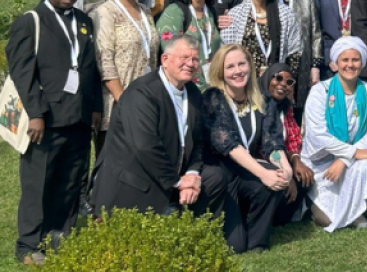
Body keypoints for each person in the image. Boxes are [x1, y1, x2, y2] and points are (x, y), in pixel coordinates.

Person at [6, 0, 102, 265]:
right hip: (46, 120)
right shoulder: (31, 22)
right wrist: (36, 113)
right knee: (39, 183)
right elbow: (22, 73)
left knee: (71, 181)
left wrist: (95, 107)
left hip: (78, 117)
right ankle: (28, 245)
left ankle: (60, 235)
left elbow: (90, 68)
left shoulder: (84, 21)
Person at [91, 36, 226, 219]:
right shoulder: (142, 92)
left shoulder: (193, 93)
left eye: (195, 59)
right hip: (135, 181)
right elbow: (145, 146)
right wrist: (178, 182)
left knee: (215, 176)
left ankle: (195, 226)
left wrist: (192, 174)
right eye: (184, 58)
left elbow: (198, 141)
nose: (190, 64)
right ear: (165, 59)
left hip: (173, 175)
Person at [202, 44, 290, 254]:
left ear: (250, 66)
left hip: (246, 170)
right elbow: (228, 144)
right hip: (221, 175)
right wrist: (263, 173)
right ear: (220, 71)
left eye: (241, 64)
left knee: (275, 176)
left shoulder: (263, 99)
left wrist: (285, 167)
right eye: (230, 66)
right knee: (235, 246)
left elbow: (271, 142)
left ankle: (258, 241)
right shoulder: (213, 98)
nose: (238, 71)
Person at [301, 37, 367, 231]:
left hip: (351, 162)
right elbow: (317, 136)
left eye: (355, 60)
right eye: (345, 60)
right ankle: (315, 204)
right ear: (336, 63)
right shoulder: (320, 91)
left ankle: (355, 210)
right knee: (327, 220)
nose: (350, 65)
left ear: (362, 63)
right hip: (322, 163)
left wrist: (344, 159)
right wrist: (353, 153)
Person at [89, 0, 159, 150]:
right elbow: (104, 60)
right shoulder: (105, 12)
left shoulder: (146, 11)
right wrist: (123, 99)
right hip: (118, 100)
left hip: (147, 97)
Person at [220, 0, 304, 80]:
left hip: (275, 82)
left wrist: (285, 79)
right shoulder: (235, 15)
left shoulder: (286, 14)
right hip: (243, 80)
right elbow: (225, 51)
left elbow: (295, 51)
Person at [269, 0, 323, 114]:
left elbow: (315, 33)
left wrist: (315, 66)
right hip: (271, 61)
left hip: (300, 65)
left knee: (297, 111)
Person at [257, 63, 312, 225]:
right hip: (260, 161)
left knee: (304, 175)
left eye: (289, 82)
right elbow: (261, 146)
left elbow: (293, 136)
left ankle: (280, 220)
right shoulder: (258, 106)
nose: (283, 84)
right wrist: (287, 173)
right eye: (278, 78)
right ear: (267, 79)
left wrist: (295, 160)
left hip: (282, 158)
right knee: (284, 179)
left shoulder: (285, 107)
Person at [156, 0, 223, 88]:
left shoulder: (210, 12)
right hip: (185, 87)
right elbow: (171, 55)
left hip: (213, 86)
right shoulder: (174, 13)